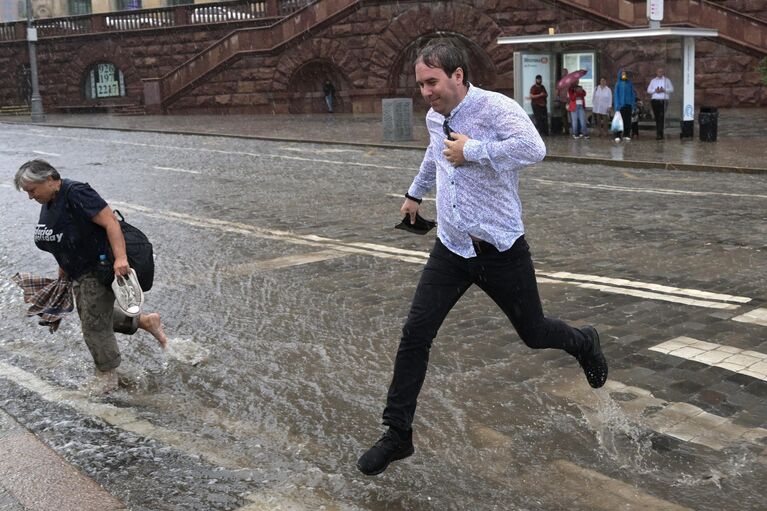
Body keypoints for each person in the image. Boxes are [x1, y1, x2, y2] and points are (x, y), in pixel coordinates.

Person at [356, 40, 608, 477]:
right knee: (415, 334)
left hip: (501, 249)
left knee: (534, 332)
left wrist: (473, 150)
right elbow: (435, 155)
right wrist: (414, 194)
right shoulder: (436, 116)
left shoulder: (495, 108)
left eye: (432, 82)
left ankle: (583, 341)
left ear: (457, 75)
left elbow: (534, 149)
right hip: (452, 248)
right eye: (420, 85)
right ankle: (397, 434)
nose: (426, 92)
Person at [14, 159, 168, 394]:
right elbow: (62, 239)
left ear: (48, 180)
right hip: (76, 270)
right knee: (91, 315)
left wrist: (121, 259)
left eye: (32, 191)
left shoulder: (77, 193)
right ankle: (145, 322)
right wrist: (62, 274)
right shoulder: (50, 201)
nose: (30, 197)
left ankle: (107, 376)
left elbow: (111, 223)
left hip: (98, 268)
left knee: (93, 325)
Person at [647, 67, 673, 140]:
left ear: (663, 72)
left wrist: (664, 90)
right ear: (656, 72)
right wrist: (655, 91)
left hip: (663, 100)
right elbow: (648, 90)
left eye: (661, 72)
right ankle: (659, 132)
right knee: (657, 117)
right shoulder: (653, 81)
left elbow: (671, 89)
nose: (660, 73)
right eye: (659, 72)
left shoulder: (667, 80)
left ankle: (660, 134)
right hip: (655, 100)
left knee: (661, 116)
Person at [613, 68, 636, 142]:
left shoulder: (629, 83)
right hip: (620, 105)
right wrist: (617, 105)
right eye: (622, 74)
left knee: (627, 121)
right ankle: (618, 135)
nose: (624, 75)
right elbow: (616, 95)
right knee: (619, 121)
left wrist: (633, 104)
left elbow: (633, 94)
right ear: (620, 75)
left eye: (624, 74)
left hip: (628, 105)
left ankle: (626, 134)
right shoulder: (618, 84)